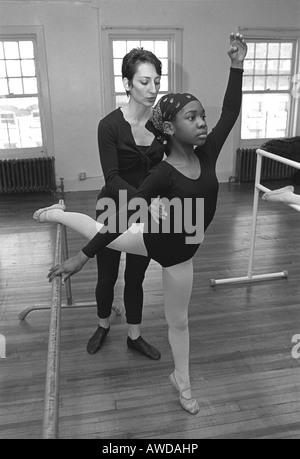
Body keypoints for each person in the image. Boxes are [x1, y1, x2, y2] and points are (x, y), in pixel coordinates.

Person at [33, 33, 247, 414]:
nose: (202, 123)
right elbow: (117, 213)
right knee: (102, 236)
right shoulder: (157, 169)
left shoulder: (206, 151)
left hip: (183, 254)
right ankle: (59, 214)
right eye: (192, 117)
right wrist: (82, 258)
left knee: (178, 322)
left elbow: (230, 112)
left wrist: (236, 65)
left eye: (202, 117)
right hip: (148, 233)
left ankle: (181, 381)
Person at [90, 48, 167, 359]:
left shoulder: (163, 124)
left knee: (135, 277)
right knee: (107, 276)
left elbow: (169, 166)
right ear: (127, 83)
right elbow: (111, 178)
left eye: (157, 82)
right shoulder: (108, 125)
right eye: (144, 82)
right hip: (113, 207)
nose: (153, 90)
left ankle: (134, 336)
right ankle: (103, 325)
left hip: (146, 213)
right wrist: (145, 200)